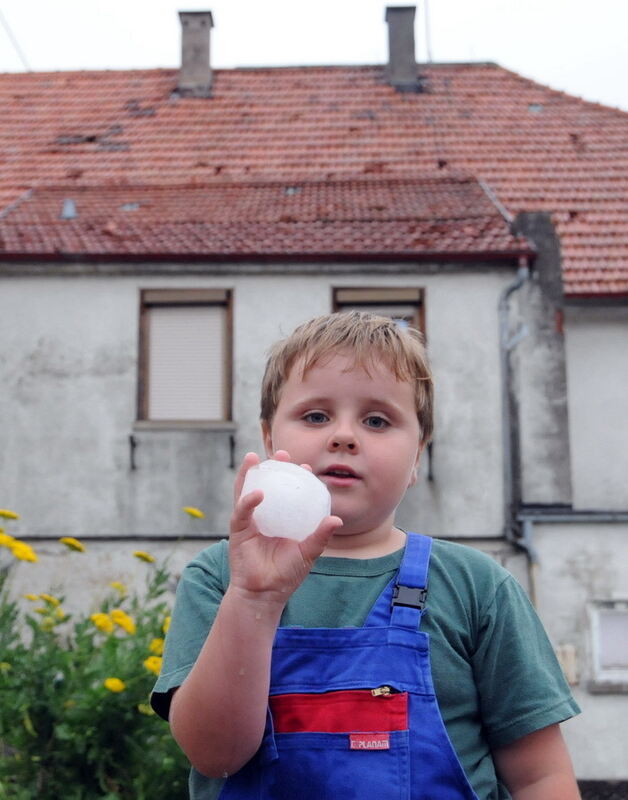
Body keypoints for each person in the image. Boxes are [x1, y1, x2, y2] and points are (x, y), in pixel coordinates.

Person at [151, 311, 581, 799]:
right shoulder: (220, 577)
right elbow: (216, 756)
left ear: (417, 455)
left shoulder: (478, 587)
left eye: (377, 420)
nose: (344, 435)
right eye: (316, 416)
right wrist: (253, 600)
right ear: (270, 439)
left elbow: (540, 776)